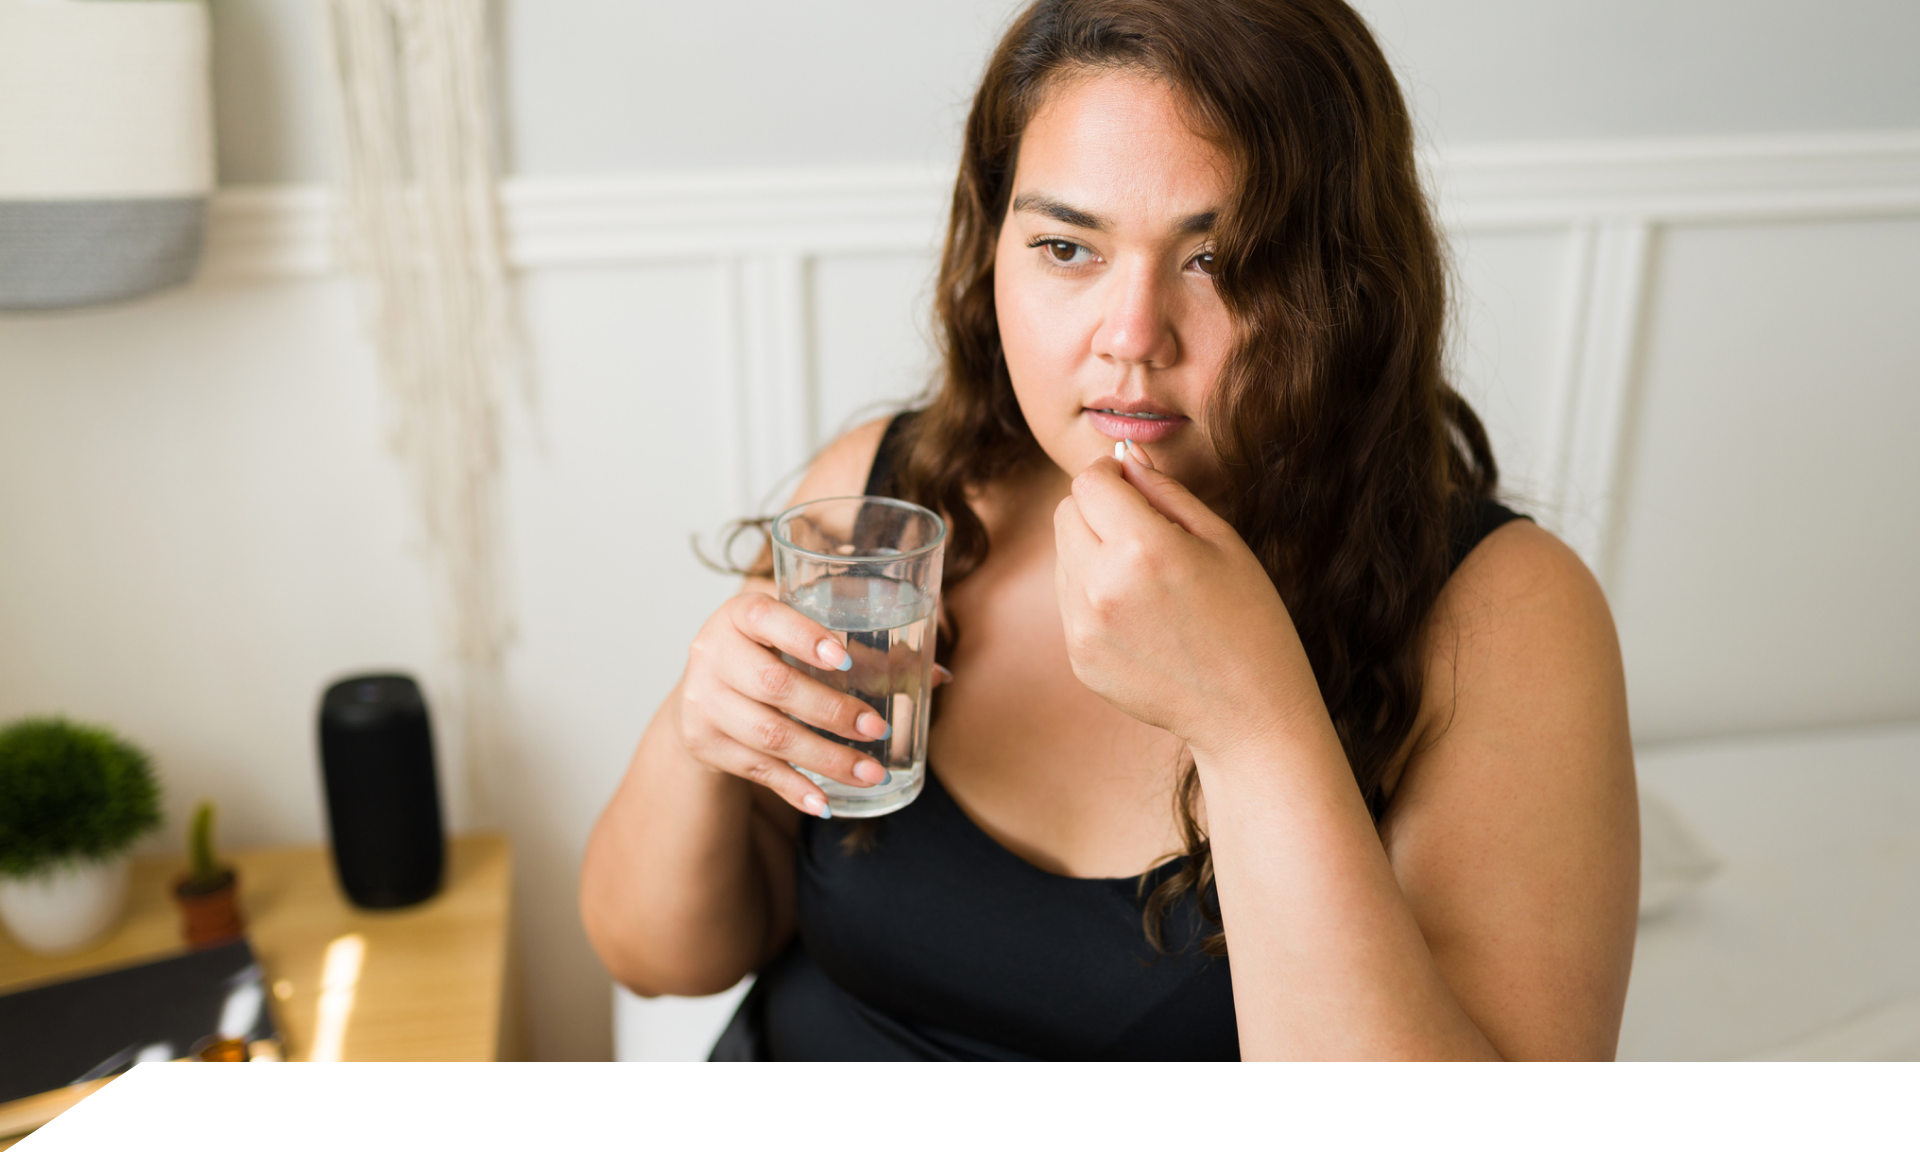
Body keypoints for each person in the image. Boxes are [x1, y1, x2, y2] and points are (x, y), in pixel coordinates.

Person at [581, 0, 1637, 1061]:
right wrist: (699, 728)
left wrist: (1255, 724)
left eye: (1220, 258)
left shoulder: (1501, 612)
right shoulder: (886, 501)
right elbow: (658, 958)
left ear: (1349, 284)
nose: (1132, 338)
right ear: (991, 250)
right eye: (1066, 247)